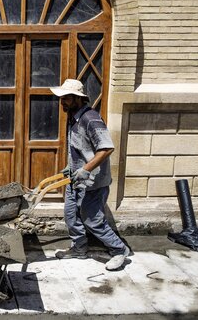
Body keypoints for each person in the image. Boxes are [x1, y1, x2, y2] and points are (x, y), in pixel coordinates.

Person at [51, 79, 130, 271]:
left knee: (92, 220)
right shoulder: (73, 117)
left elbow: (106, 148)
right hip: (76, 179)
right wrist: (72, 167)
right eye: (62, 99)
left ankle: (119, 251)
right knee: (71, 216)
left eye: (66, 98)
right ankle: (79, 248)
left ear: (78, 99)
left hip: (93, 182)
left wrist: (85, 169)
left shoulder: (91, 118)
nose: (63, 102)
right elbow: (80, 148)